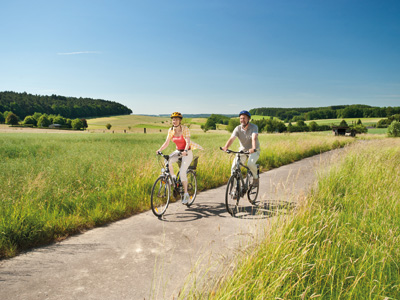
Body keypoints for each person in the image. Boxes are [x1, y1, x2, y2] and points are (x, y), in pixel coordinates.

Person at [156, 112, 202, 204]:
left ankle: (186, 194)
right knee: (167, 160)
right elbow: (167, 142)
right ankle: (173, 178)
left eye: (177, 119)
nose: (175, 121)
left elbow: (187, 141)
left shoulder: (185, 129)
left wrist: (185, 151)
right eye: (173, 119)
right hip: (178, 151)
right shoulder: (171, 130)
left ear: (180, 121)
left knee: (182, 173)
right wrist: (160, 149)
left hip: (187, 152)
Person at [221, 110, 260, 186]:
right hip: (243, 150)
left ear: (248, 119)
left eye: (244, 118)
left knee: (250, 164)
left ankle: (256, 178)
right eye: (241, 118)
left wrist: (253, 148)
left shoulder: (254, 127)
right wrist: (226, 147)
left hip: (254, 150)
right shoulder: (237, 128)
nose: (242, 120)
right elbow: (232, 138)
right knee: (234, 167)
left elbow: (254, 138)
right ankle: (236, 188)